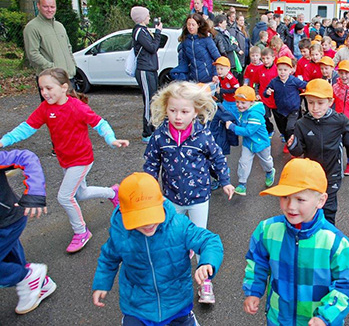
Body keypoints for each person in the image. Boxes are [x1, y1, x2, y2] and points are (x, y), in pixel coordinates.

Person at [0, 68, 129, 253]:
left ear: (64, 87)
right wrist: (4, 140)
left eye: (49, 88)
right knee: (81, 193)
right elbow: (26, 128)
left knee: (65, 197)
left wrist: (111, 139)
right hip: (65, 160)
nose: (44, 93)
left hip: (81, 159)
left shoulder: (77, 107)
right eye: (41, 89)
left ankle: (81, 231)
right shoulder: (45, 108)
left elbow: (100, 123)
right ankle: (112, 193)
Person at [92, 172, 224, 325]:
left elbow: (209, 241)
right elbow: (108, 258)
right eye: (141, 218)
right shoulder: (120, 233)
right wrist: (102, 283)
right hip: (138, 307)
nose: (148, 224)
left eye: (151, 215)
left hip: (176, 302)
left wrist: (207, 262)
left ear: (161, 203)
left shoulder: (178, 225)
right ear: (125, 213)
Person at [143, 81, 234, 302]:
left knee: (200, 238)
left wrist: (225, 181)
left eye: (184, 111)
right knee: (169, 237)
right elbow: (151, 163)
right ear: (166, 109)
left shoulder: (202, 136)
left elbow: (218, 158)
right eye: (173, 110)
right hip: (171, 198)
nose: (178, 116)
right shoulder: (159, 136)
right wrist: (148, 187)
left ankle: (206, 283)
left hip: (199, 198)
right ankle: (169, 278)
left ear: (196, 111)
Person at [243, 158, 349, 325]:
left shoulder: (335, 242)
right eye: (285, 197)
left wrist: (325, 316)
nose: (291, 206)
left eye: (300, 199)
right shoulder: (267, 230)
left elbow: (347, 282)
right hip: (278, 318)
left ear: (321, 200)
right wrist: (253, 291)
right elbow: (257, 262)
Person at [287, 79, 349, 225]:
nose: (315, 107)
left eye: (320, 103)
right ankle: (312, 231)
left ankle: (328, 234)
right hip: (311, 173)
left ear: (330, 102)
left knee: (329, 206)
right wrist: (293, 145)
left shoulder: (338, 120)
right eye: (310, 102)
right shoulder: (301, 124)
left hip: (333, 171)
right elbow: (299, 152)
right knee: (312, 205)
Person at [1, 149, 56, 314]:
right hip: (7, 220)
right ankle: (41, 284)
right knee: (10, 258)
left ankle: (27, 276)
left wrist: (34, 193)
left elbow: (25, 157)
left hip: (8, 221)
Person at [225, 86, 276, 196]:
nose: (239, 105)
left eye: (243, 103)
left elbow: (248, 131)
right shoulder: (242, 111)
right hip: (248, 144)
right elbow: (241, 123)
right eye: (237, 102)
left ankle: (270, 171)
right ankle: (242, 184)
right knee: (244, 162)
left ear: (252, 102)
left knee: (265, 161)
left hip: (261, 143)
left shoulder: (255, 114)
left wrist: (232, 127)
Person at [23, 0, 77, 96]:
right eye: (45, 6)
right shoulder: (32, 27)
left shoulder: (59, 26)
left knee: (71, 110)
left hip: (68, 77)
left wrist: (73, 66)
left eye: (52, 7)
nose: (50, 10)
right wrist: (52, 68)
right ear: (38, 6)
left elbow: (68, 48)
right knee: (53, 111)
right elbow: (33, 54)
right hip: (50, 80)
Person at [130, 6, 163, 143]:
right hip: (144, 69)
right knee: (149, 100)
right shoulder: (139, 31)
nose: (149, 17)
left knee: (154, 98)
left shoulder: (144, 30)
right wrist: (158, 32)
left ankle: (153, 128)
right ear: (141, 17)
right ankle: (147, 132)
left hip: (150, 68)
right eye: (147, 15)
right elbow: (152, 47)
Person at [263, 56, 307, 153]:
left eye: (285, 70)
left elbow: (305, 85)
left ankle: (294, 145)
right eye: (280, 70)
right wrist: (267, 92)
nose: (282, 72)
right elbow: (265, 92)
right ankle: (288, 141)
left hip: (293, 109)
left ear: (290, 70)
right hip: (280, 110)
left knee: (290, 127)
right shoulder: (274, 82)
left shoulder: (294, 80)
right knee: (282, 129)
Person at [171, 13, 221, 84]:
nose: (190, 27)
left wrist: (216, 74)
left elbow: (217, 58)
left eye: (193, 25)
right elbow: (184, 61)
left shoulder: (206, 39)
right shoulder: (185, 41)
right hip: (193, 80)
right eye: (189, 24)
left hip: (209, 80)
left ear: (198, 25)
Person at [255, 48, 278, 136]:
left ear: (273, 57)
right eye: (263, 58)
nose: (265, 61)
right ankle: (270, 129)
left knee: (279, 118)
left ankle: (283, 133)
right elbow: (256, 83)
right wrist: (256, 93)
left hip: (275, 99)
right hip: (263, 98)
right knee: (264, 116)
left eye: (267, 58)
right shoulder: (259, 69)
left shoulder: (277, 69)